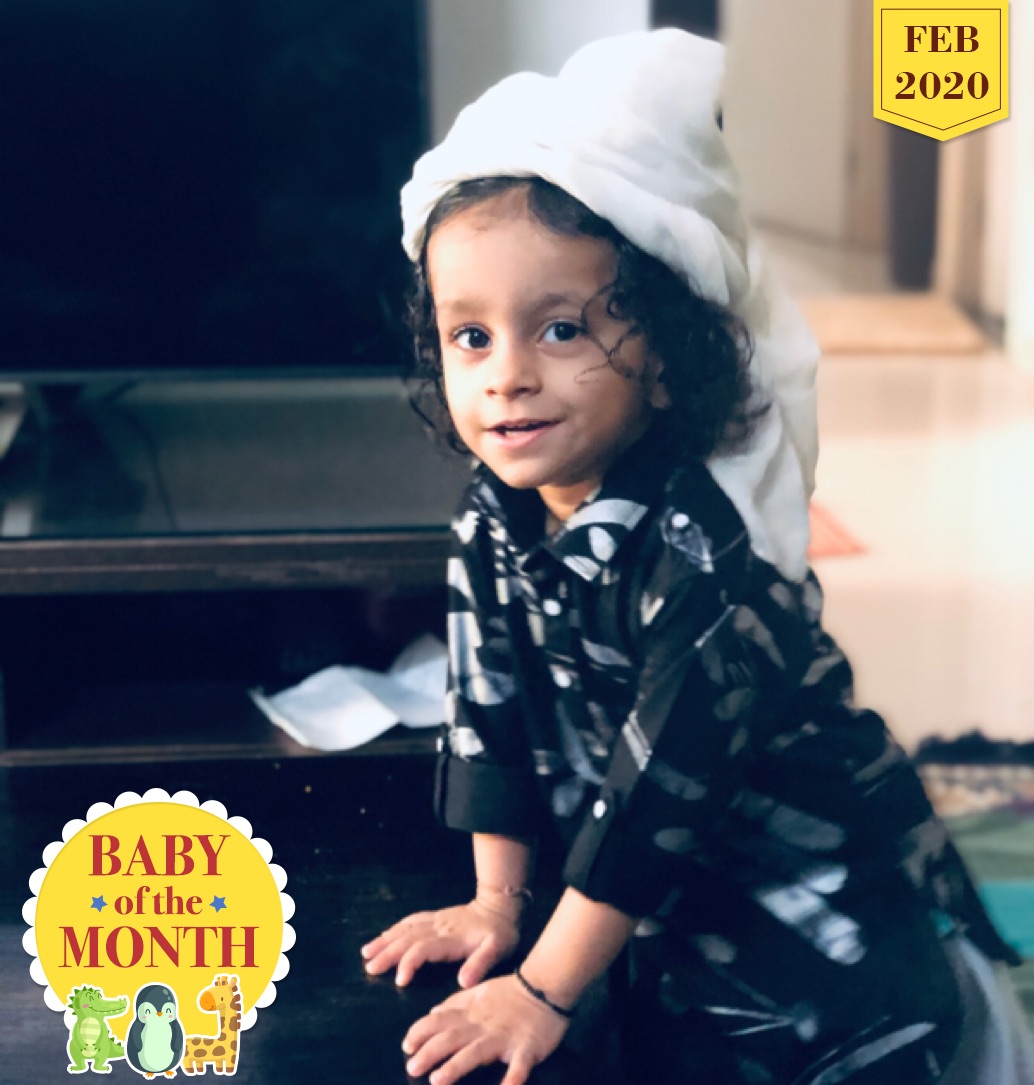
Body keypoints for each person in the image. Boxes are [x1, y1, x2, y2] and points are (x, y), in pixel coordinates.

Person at [360, 29, 1034, 1085]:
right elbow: (488, 709)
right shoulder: (493, 517)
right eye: (471, 336)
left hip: (802, 886)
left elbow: (659, 797)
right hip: (652, 885)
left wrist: (541, 990)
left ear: (670, 356)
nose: (507, 375)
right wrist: (496, 904)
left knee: (813, 1038)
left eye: (561, 330)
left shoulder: (706, 561)